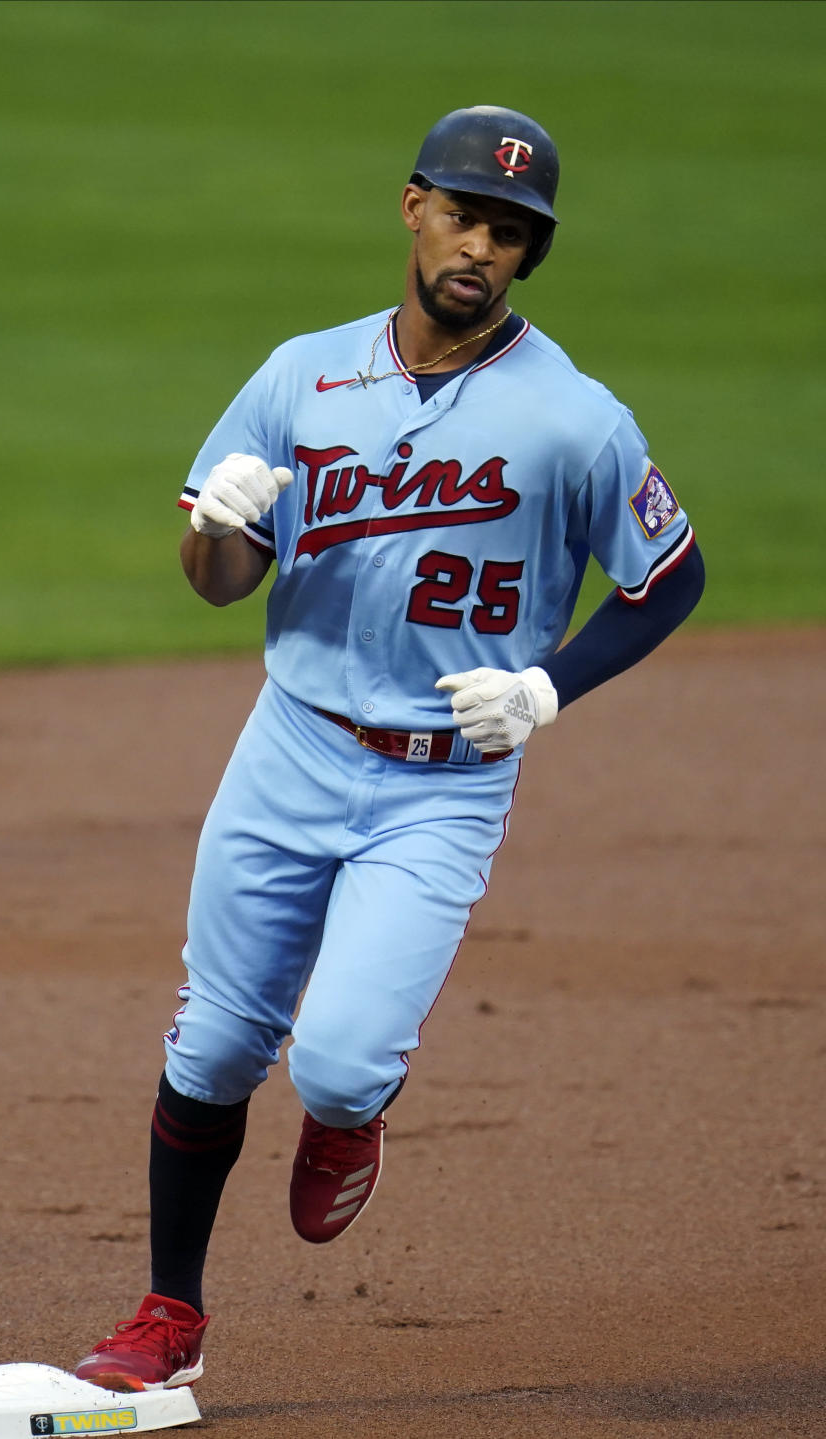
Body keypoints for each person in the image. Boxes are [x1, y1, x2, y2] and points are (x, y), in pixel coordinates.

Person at [75, 104, 705, 1392]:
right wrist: (217, 531)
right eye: (468, 213)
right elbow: (218, 583)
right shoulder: (301, 375)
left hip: (445, 786)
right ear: (415, 207)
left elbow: (673, 577)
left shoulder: (573, 417)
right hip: (292, 746)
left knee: (344, 1060)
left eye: (514, 231)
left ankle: (349, 1121)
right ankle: (167, 1315)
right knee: (211, 1047)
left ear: (533, 253)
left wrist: (545, 687)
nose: (485, 244)